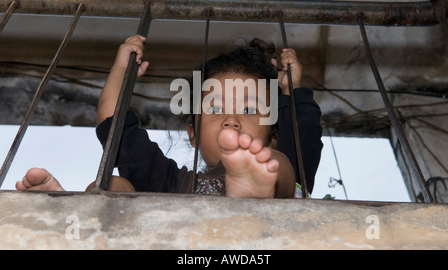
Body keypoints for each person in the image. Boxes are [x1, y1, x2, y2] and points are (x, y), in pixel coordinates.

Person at [16, 35, 323, 198]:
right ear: (192, 132)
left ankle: (259, 185)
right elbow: (116, 130)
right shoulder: (173, 183)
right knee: (113, 184)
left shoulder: (289, 150)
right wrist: (122, 71)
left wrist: (292, 88)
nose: (231, 119)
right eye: (214, 109)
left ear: (275, 131)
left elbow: (304, 127)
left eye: (248, 109)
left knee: (281, 168)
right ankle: (86, 215)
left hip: (269, 231)